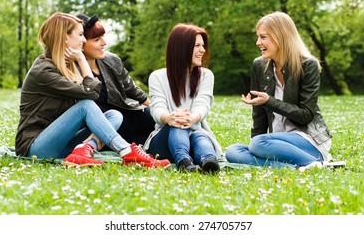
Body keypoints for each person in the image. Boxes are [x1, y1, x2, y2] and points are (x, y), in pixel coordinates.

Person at [15, 12, 170, 168]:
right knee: (86, 106)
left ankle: (82, 152)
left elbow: (98, 91)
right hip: (35, 147)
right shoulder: (44, 71)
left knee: (114, 115)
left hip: (61, 143)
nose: (83, 39)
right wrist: (82, 59)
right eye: (81, 35)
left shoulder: (64, 64)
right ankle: (127, 152)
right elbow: (91, 93)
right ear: (65, 38)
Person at [225, 11, 332, 171]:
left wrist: (269, 101)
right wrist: (258, 148)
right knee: (233, 151)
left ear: (280, 36)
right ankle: (296, 167)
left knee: (259, 143)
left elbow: (305, 115)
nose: (257, 42)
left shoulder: (307, 65)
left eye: (263, 37)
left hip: (307, 138)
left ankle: (314, 160)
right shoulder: (259, 66)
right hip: (274, 141)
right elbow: (259, 115)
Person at [144, 24, 222, 173]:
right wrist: (169, 118)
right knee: (177, 126)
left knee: (199, 135)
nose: (202, 50)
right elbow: (156, 108)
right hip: (164, 142)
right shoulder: (157, 77)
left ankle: (209, 161)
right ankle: (183, 161)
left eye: (203, 45)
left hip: (195, 134)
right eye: (197, 46)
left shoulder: (206, 76)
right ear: (182, 48)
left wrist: (192, 118)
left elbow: (203, 104)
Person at [76, 13, 155, 146]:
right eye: (96, 39)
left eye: (103, 37)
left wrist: (156, 109)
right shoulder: (71, 72)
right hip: (108, 130)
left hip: (131, 115)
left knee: (162, 121)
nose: (104, 43)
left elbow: (132, 90)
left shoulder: (111, 60)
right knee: (153, 146)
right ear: (81, 44)